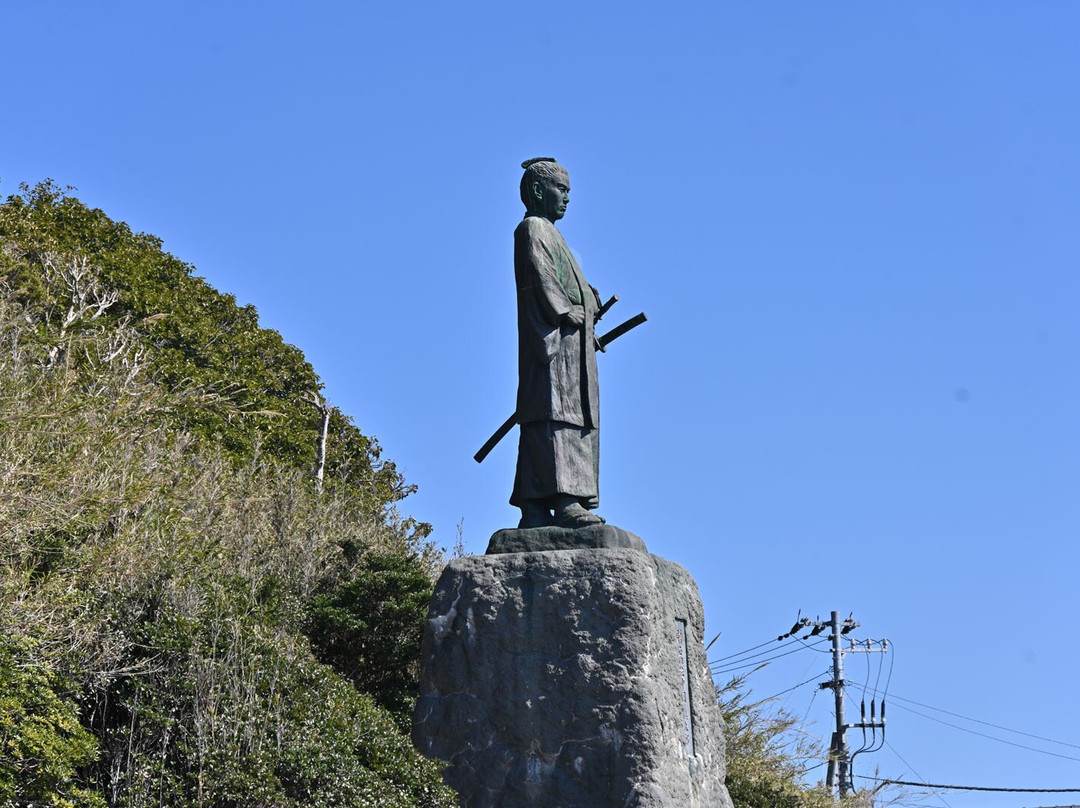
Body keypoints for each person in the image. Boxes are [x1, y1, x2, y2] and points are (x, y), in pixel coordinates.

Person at [510, 158, 605, 529]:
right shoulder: (532, 229)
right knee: (555, 417)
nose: (566, 198)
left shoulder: (552, 232)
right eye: (560, 190)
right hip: (551, 342)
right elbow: (540, 275)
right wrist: (565, 311)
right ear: (537, 191)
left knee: (569, 416)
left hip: (572, 345)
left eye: (568, 191)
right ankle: (562, 500)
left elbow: (567, 278)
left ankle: (537, 505)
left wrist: (589, 302)